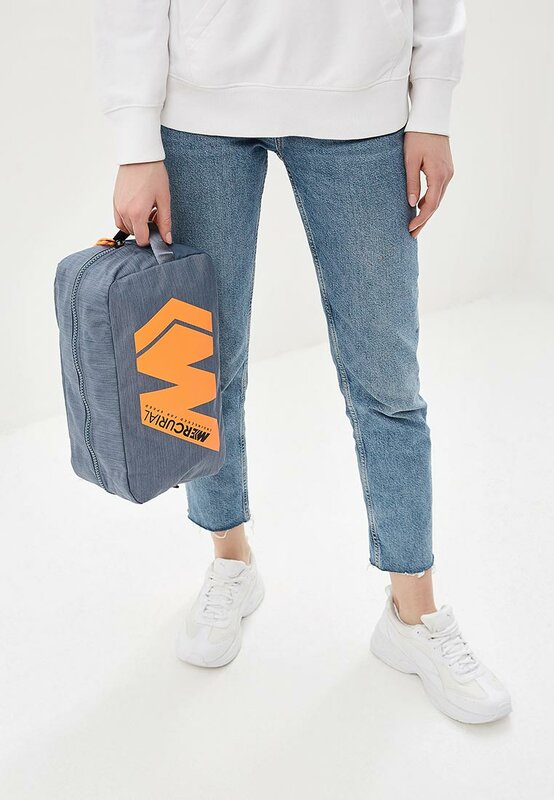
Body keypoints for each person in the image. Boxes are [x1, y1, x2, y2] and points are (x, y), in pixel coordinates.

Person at [92, 0, 511, 723]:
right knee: (202, 367)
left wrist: (433, 109)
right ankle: (230, 560)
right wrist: (135, 139)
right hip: (202, 104)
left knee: (387, 379)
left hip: (363, 96)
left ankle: (413, 614)